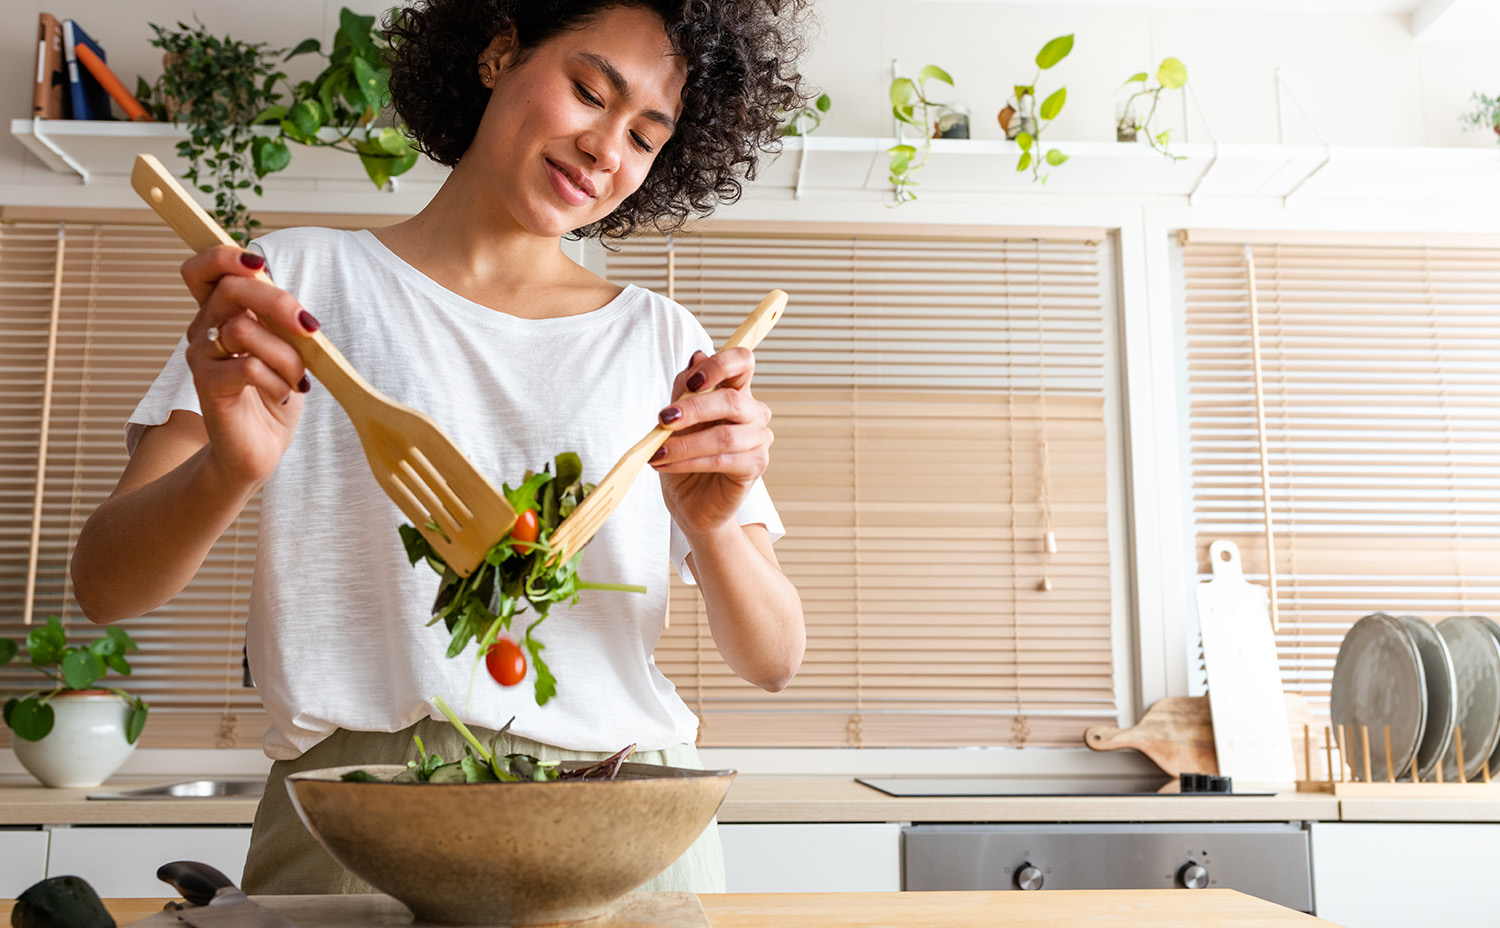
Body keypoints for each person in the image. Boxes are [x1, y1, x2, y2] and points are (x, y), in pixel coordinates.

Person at [69, 0, 810, 894]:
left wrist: (721, 528)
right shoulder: (296, 287)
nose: (606, 149)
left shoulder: (662, 342)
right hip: (356, 817)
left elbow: (774, 657)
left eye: (646, 137)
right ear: (500, 53)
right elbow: (105, 588)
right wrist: (231, 470)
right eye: (588, 91)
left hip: (621, 817)